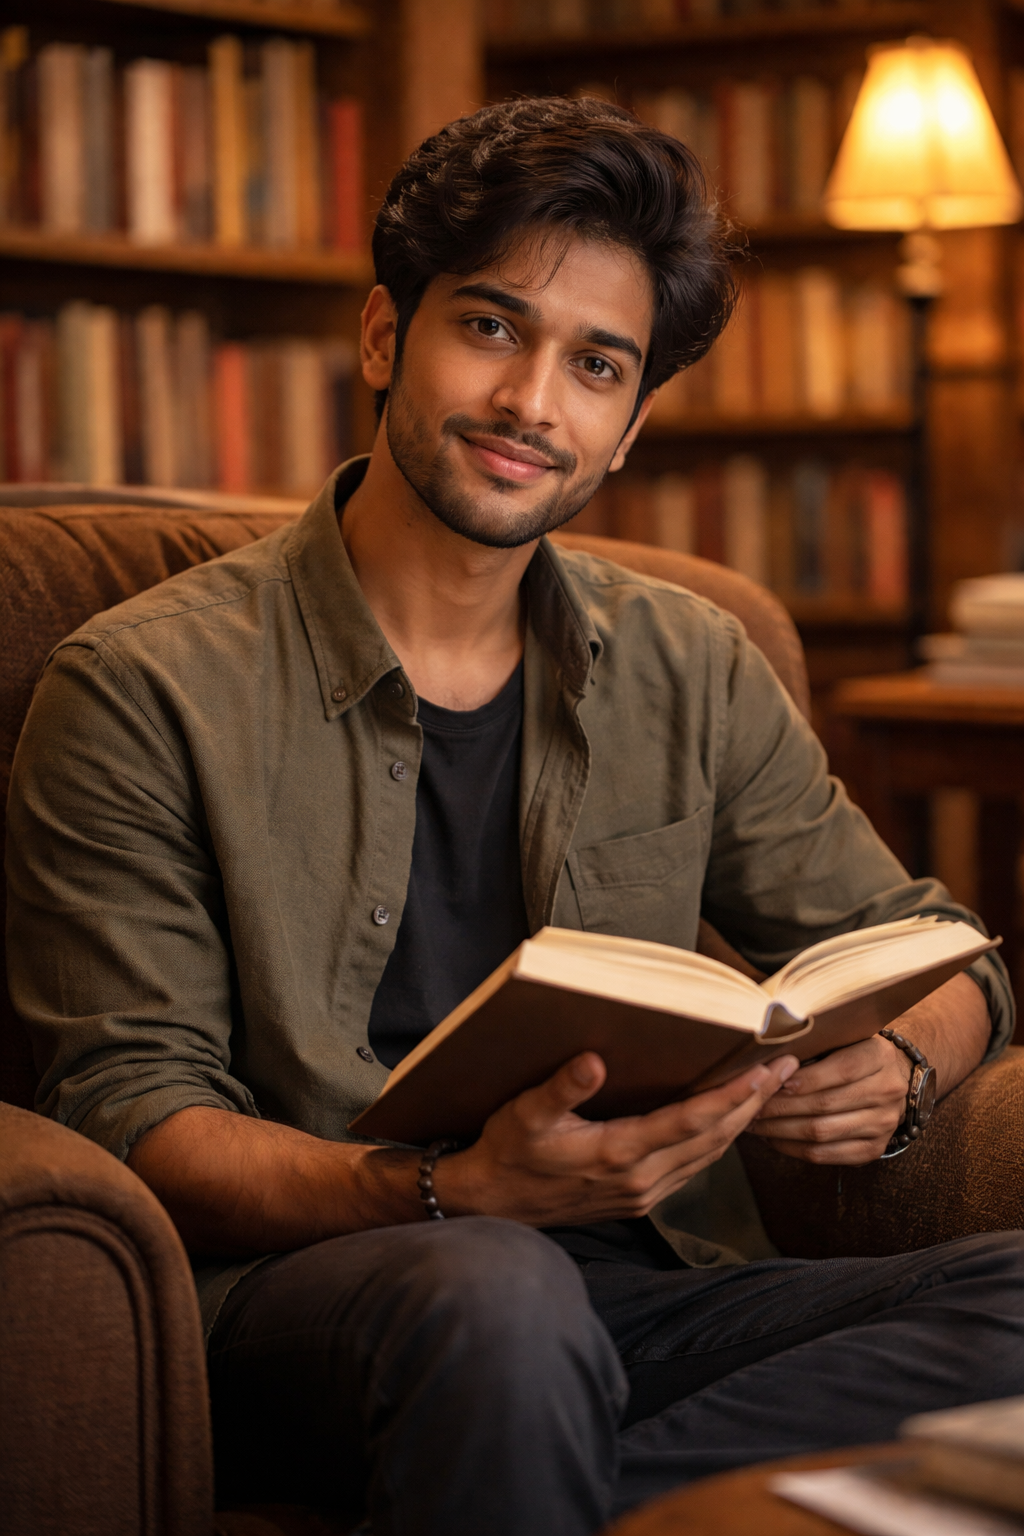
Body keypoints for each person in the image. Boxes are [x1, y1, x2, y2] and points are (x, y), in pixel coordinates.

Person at [7, 97, 1023, 1536]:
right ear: (384, 338)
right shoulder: (140, 687)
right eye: (491, 328)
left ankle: (502, 1485)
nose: (533, 403)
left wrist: (907, 1066)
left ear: (631, 425)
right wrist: (451, 1187)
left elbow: (936, 945)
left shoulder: (690, 661)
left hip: (646, 1299)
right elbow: (138, 1117)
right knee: (497, 1288)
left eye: (595, 366)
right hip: (318, 1298)